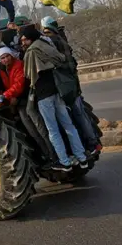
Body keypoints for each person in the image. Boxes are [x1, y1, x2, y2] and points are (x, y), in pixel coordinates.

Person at [22, 27, 88, 172]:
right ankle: (82, 158)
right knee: (69, 126)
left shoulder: (32, 51)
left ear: (30, 38)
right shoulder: (47, 45)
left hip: (44, 97)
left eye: (24, 39)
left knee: (53, 131)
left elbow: (28, 74)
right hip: (57, 93)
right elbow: (61, 58)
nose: (22, 42)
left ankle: (64, 162)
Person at [41, 17, 101, 155]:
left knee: (74, 117)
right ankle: (92, 142)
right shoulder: (61, 39)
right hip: (72, 83)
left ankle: (90, 144)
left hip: (64, 85)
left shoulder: (52, 42)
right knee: (80, 114)